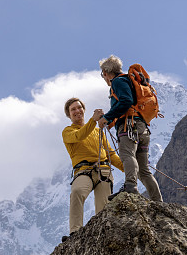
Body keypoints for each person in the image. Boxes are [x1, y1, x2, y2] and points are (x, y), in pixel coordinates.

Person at [97, 55, 163, 202]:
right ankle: (157, 201)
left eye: (103, 74)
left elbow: (126, 101)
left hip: (129, 126)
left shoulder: (118, 82)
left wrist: (107, 117)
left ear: (106, 72)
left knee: (127, 155)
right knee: (144, 170)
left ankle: (130, 186)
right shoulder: (130, 81)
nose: (104, 78)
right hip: (142, 128)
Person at [62, 97, 124, 240]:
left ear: (83, 110)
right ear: (69, 115)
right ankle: (75, 231)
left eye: (79, 108)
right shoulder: (68, 132)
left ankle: (102, 234)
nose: (77, 111)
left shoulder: (98, 132)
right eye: (73, 110)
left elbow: (110, 154)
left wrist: (127, 168)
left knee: (103, 205)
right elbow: (79, 135)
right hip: (84, 171)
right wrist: (93, 120)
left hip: (103, 169)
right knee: (77, 191)